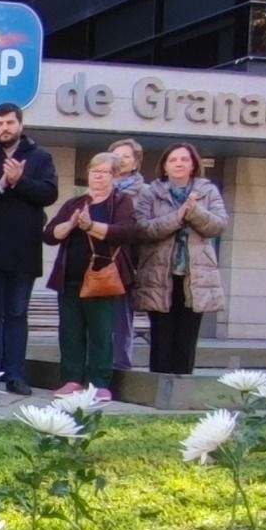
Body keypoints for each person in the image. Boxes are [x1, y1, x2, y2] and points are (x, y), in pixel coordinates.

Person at [0, 103, 58, 395]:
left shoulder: (40, 158)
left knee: (17, 314)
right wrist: (1, 184)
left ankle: (15, 375)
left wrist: (20, 181)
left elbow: (49, 193)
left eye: (9, 123)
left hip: (24, 252)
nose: (4, 128)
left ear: (20, 124)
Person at [43, 153, 136, 401]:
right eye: (94, 171)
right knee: (70, 332)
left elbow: (125, 232)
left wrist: (91, 226)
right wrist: (71, 224)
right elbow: (50, 234)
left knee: (101, 333)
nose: (98, 176)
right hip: (69, 278)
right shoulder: (75, 203)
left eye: (104, 172)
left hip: (101, 279)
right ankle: (72, 379)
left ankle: (99, 382)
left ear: (114, 176)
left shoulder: (121, 201)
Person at [133, 142, 229, 375]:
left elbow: (218, 225)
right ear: (164, 166)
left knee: (187, 338)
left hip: (195, 276)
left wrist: (194, 211)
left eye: (184, 159)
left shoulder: (208, 191)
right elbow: (143, 228)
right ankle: (159, 387)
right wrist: (177, 217)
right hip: (159, 275)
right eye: (173, 160)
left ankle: (181, 387)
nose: (179, 164)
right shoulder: (150, 192)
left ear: (193, 165)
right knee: (161, 337)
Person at [109, 137, 146, 371]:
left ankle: (120, 366)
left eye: (126, 156)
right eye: (116, 156)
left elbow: (144, 227)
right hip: (97, 262)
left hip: (126, 262)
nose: (121, 160)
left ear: (135, 162)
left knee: (121, 318)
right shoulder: (98, 188)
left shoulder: (145, 192)